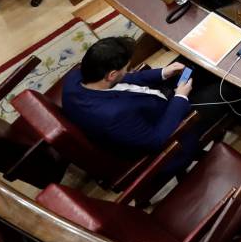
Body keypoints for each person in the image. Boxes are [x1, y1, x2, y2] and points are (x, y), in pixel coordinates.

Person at [61, 37, 206, 158]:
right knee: (222, 91)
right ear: (112, 75)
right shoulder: (114, 116)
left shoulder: (77, 77)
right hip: (171, 135)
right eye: (126, 68)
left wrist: (163, 72)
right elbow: (156, 140)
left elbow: (127, 79)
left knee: (193, 64)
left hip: (151, 99)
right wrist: (180, 97)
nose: (128, 70)